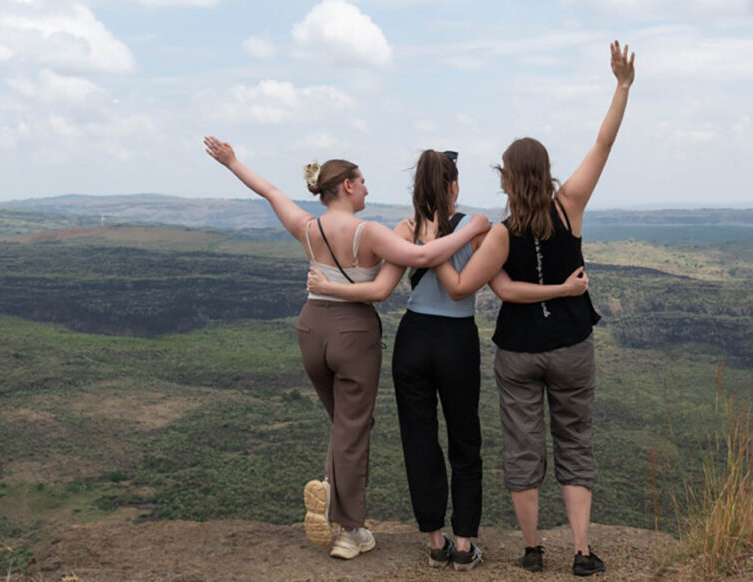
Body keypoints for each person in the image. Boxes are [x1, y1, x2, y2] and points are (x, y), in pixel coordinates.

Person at [204, 137, 491, 560]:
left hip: (310, 329)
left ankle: (332, 489)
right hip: (352, 335)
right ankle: (349, 528)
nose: (368, 189)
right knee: (353, 428)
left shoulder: (306, 227)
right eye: (363, 182)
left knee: (344, 424)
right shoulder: (369, 232)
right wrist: (472, 229)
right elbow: (426, 255)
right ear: (348, 187)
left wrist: (231, 162)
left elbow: (269, 191)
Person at [307, 149, 587, 571]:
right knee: (464, 441)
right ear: (453, 185)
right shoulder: (476, 228)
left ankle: (434, 540)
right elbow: (498, 285)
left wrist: (330, 289)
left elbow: (380, 288)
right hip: (456, 339)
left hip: (413, 339)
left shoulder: (405, 228)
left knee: (419, 441)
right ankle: (463, 543)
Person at [429, 40, 635, 576]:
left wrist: (432, 250)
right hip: (571, 347)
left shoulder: (498, 235)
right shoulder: (570, 207)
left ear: (506, 177)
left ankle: (532, 550)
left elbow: (483, 291)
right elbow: (602, 144)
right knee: (575, 442)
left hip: (519, 352)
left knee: (523, 448)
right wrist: (622, 86)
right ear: (544, 171)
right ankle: (583, 553)